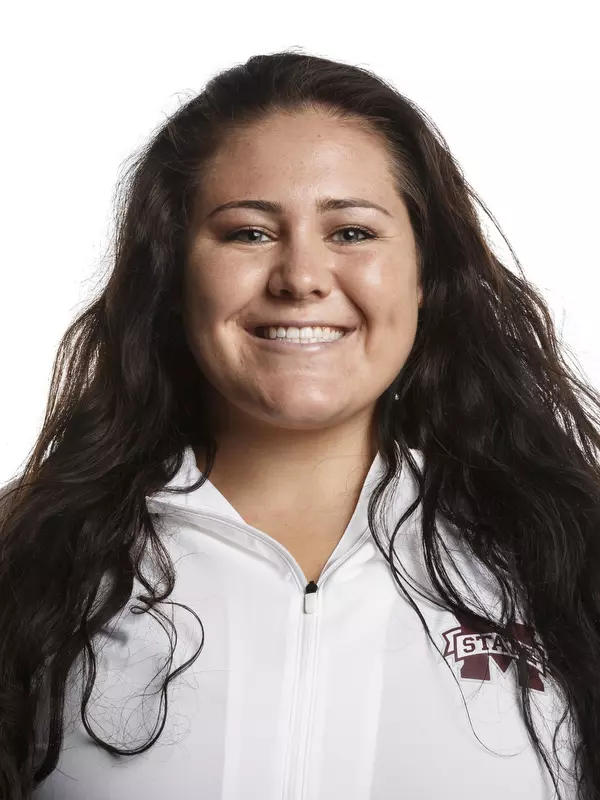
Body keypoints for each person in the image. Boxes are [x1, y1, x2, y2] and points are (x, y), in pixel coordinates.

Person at [0, 50, 598, 800]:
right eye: (248, 233)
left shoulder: (562, 558)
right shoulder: (29, 569)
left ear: (424, 278)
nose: (302, 277)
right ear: (174, 276)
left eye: (351, 232)